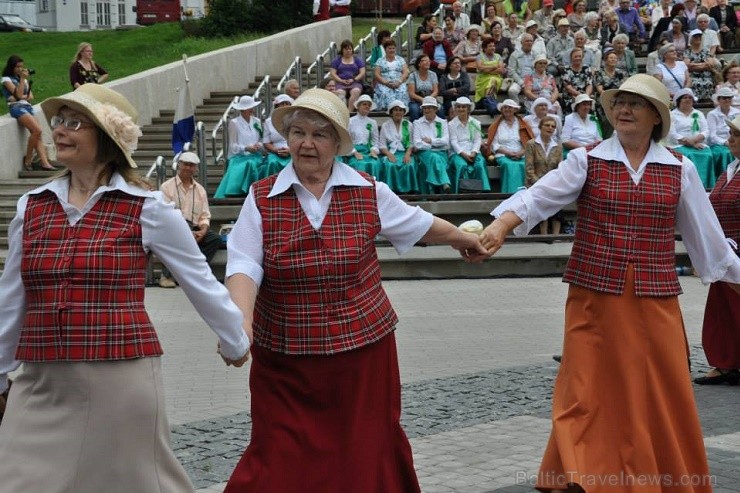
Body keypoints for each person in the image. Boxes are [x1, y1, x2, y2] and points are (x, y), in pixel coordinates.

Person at [480, 73, 740, 493]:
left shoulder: (680, 168)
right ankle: (584, 472)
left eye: (635, 104)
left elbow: (709, 244)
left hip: (654, 301)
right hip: (593, 296)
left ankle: (657, 475)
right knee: (583, 387)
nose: (623, 110)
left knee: (657, 391)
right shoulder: (587, 159)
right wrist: (501, 225)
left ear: (655, 117)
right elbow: (540, 195)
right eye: (619, 102)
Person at [221, 88, 486, 492]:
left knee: (365, 445)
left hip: (363, 352)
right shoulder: (261, 197)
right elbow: (243, 263)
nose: (306, 143)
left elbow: (418, 224)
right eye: (297, 132)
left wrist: (462, 239)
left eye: (319, 135)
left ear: (337, 144)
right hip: (286, 358)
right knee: (279, 449)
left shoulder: (368, 189)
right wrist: (241, 323)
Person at [0, 83, 251, 493]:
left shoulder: (147, 208)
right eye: (59, 121)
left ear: (106, 138)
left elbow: (199, 280)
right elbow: (12, 296)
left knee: (135, 483)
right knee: (15, 480)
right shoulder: (33, 205)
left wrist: (234, 340)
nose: (60, 130)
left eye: (74, 122)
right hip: (41, 379)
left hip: (119, 376)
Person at [695, 113, 740, 386]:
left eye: (735, 135)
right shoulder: (731, 168)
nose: (729, 139)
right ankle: (726, 363)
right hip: (725, 251)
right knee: (723, 311)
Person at [159, 151, 224, 288]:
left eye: (192, 165)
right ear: (179, 165)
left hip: (194, 227)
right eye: (186, 164)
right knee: (177, 237)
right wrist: (185, 230)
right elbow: (164, 213)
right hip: (174, 226)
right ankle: (167, 275)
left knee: (215, 239)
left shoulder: (200, 190)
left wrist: (203, 230)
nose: (188, 168)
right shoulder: (167, 187)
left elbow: (205, 215)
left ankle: (194, 272)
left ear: (196, 168)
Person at [2, 55, 55, 171]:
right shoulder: (6, 79)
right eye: (18, 67)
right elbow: (20, 94)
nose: (20, 69)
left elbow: (30, 96)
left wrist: (17, 96)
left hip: (28, 107)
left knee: (37, 134)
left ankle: (45, 163)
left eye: (22, 66)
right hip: (17, 107)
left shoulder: (24, 79)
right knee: (37, 130)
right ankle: (28, 159)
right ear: (12, 67)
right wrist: (21, 83)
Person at [213, 95, 264, 198]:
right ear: (243, 110)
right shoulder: (234, 123)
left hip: (256, 155)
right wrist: (246, 148)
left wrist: (258, 145)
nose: (252, 110)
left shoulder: (257, 121)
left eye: (252, 107)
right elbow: (232, 145)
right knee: (249, 164)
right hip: (240, 157)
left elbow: (261, 139)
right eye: (249, 107)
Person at [667, 88, 715, 189]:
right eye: (685, 98)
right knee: (689, 155)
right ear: (679, 100)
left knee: (707, 154)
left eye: (690, 98)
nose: (688, 100)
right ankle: (688, 186)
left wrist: (696, 139)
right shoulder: (672, 115)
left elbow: (706, 130)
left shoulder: (698, 114)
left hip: (698, 142)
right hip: (679, 144)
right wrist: (690, 142)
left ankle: (705, 185)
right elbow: (672, 133)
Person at [524, 115, 563, 235]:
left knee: (557, 198)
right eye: (547, 125)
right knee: (542, 199)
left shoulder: (558, 146)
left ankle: (556, 235)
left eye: (553, 126)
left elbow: (560, 167)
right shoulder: (531, 144)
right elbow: (529, 169)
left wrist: (554, 183)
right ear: (540, 127)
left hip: (552, 183)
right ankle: (544, 233)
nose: (550, 128)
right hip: (535, 183)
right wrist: (541, 184)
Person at [486, 99, 535, 192]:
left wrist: (521, 153)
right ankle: (509, 193)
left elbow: (529, 143)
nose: (507, 109)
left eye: (510, 107)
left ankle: (525, 194)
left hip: (521, 154)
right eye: (505, 107)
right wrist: (508, 153)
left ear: (515, 110)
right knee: (509, 165)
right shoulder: (496, 125)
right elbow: (493, 144)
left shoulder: (523, 124)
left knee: (524, 165)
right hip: (503, 154)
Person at [448, 96, 492, 193]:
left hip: (473, 151)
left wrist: (473, 153)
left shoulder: (475, 123)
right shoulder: (451, 124)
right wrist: (463, 154)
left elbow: (477, 140)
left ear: (468, 109)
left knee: (480, 164)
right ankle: (463, 191)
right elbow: (454, 142)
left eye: (463, 107)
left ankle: (482, 190)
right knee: (462, 165)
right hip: (457, 153)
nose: (461, 109)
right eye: (458, 107)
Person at [378, 99, 419, 194]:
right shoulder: (385, 125)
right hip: (391, 152)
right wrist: (389, 154)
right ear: (391, 112)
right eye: (396, 110)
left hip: (405, 152)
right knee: (390, 165)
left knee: (409, 164)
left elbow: (411, 143)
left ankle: (407, 191)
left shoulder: (408, 124)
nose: (398, 112)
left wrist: (408, 154)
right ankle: (392, 192)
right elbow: (382, 145)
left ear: (404, 112)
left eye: (401, 110)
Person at [414, 96, 453, 194]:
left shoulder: (443, 122)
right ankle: (444, 182)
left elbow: (446, 141)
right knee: (434, 157)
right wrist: (435, 144)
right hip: (424, 154)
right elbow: (417, 144)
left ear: (435, 109)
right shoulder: (417, 123)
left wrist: (430, 141)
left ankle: (432, 189)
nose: (427, 110)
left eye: (430, 108)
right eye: (425, 108)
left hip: (441, 153)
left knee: (436, 158)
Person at [593, 48, 627, 138]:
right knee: (606, 121)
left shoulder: (621, 73)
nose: (613, 60)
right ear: (605, 60)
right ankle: (605, 138)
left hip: (619, 100)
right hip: (604, 100)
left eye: (615, 58)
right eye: (611, 58)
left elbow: (624, 87)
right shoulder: (599, 73)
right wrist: (610, 97)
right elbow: (599, 89)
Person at [706, 87, 739, 178]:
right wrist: (725, 142)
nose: (727, 100)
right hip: (718, 144)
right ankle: (724, 177)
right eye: (724, 98)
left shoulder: (737, 112)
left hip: (735, 141)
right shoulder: (712, 114)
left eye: (729, 98)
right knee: (726, 153)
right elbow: (712, 136)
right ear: (718, 100)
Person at [346, 94, 381, 176]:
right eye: (364, 104)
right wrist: (354, 152)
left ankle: (373, 187)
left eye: (369, 105)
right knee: (360, 164)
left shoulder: (373, 122)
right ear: (358, 106)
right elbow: (346, 141)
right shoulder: (350, 121)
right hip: (354, 150)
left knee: (375, 163)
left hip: (368, 150)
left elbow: (375, 141)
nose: (367, 106)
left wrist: (373, 150)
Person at [262, 94, 294, 178]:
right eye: (282, 104)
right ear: (277, 106)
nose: (284, 106)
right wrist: (276, 150)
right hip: (275, 151)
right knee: (272, 163)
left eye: (287, 103)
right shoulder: (268, 122)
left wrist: (290, 150)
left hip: (293, 150)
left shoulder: (296, 120)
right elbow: (266, 142)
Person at [373, 39, 410, 111]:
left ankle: (401, 109)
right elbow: (376, 74)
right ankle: (387, 109)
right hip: (384, 83)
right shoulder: (380, 60)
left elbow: (405, 72)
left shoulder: (400, 59)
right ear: (385, 49)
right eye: (389, 48)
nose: (392, 50)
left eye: (393, 48)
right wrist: (386, 83)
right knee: (384, 92)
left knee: (402, 91)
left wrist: (399, 81)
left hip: (399, 82)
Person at [329, 39, 366, 111]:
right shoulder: (337, 60)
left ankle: (349, 112)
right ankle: (342, 112)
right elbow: (333, 73)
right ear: (342, 50)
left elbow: (362, 72)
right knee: (340, 93)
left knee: (355, 91)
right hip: (340, 82)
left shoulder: (357, 59)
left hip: (355, 82)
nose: (348, 51)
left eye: (350, 49)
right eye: (346, 49)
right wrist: (341, 80)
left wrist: (354, 79)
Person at [474, 38, 506, 117]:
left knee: (493, 80)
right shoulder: (479, 56)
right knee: (492, 80)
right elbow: (480, 68)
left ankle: (489, 103)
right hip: (482, 80)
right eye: (490, 46)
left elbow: (501, 70)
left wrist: (487, 69)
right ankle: (491, 104)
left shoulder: (498, 56)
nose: (493, 48)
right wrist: (495, 66)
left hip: (496, 79)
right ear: (485, 48)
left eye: (493, 46)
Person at [684, 28, 718, 102]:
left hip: (706, 76)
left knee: (709, 83)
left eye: (699, 37)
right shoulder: (687, 52)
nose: (698, 38)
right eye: (695, 37)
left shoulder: (706, 51)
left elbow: (710, 64)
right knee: (695, 83)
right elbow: (687, 66)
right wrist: (703, 65)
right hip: (692, 77)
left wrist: (694, 65)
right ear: (691, 39)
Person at [560, 47, 593, 115]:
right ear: (571, 58)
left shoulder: (587, 68)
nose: (578, 58)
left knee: (589, 104)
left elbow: (589, 84)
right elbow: (568, 87)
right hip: (571, 96)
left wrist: (586, 96)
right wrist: (580, 96)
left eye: (579, 56)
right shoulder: (565, 70)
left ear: (582, 57)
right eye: (575, 56)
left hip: (584, 95)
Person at [407, 54, 440, 121]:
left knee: (441, 109)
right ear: (419, 63)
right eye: (425, 61)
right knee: (414, 110)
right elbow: (411, 93)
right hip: (416, 101)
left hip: (431, 99)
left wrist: (429, 100)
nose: (428, 62)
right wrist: (424, 100)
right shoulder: (412, 75)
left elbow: (436, 91)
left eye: (429, 61)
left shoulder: (433, 74)